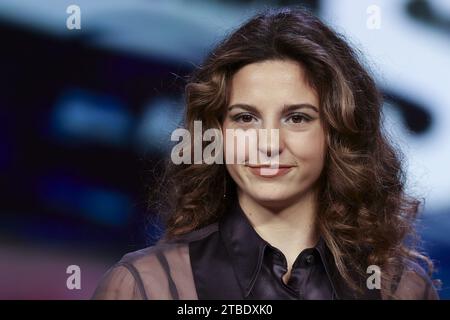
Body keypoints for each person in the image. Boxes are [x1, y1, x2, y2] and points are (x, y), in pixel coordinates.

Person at [92, 7, 439, 300]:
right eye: (246, 118)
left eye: (297, 118)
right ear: (218, 134)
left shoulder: (401, 291)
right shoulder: (143, 286)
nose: (268, 144)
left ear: (337, 133)